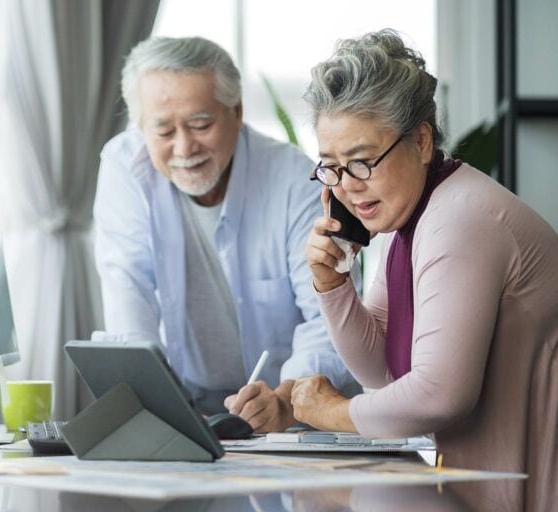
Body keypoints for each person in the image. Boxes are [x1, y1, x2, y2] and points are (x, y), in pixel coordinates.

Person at [292, 29, 558, 510]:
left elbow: (438, 395)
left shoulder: (460, 219)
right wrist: (333, 285)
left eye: (361, 162)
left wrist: (333, 412)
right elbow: (380, 371)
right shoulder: (412, 221)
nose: (347, 187)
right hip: (501, 483)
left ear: (419, 141)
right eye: (330, 166)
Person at [93, 36, 362, 432]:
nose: (184, 147)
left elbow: (331, 318)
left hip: (289, 414)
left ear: (236, 112)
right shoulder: (123, 166)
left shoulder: (294, 182)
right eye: (163, 131)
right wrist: (150, 397)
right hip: (184, 411)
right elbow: (126, 288)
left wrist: (286, 400)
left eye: (201, 124)